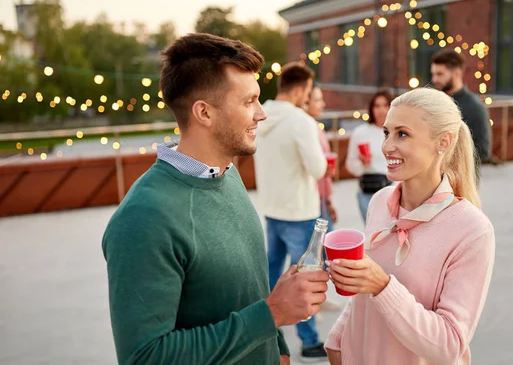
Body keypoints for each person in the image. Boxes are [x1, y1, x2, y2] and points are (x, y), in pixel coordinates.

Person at [101, 33, 330, 365]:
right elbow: (145, 357)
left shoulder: (226, 173)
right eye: (248, 101)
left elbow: (249, 291)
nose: (261, 113)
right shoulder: (144, 219)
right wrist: (273, 314)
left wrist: (277, 346)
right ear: (204, 113)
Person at [325, 87, 495, 365]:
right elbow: (364, 293)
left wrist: (383, 286)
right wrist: (338, 337)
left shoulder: (472, 230)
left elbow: (449, 345)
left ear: (443, 141)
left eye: (402, 134)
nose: (387, 146)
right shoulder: (380, 202)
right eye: (386, 132)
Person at [254, 62, 329, 360]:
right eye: (308, 92)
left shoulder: (259, 115)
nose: (307, 98)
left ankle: (266, 333)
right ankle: (309, 341)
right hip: (299, 211)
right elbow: (318, 167)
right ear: (299, 90)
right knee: (306, 279)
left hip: (272, 208)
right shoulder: (300, 121)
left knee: (271, 276)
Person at [430, 49, 492, 183]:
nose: (435, 79)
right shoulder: (434, 102)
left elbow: (483, 150)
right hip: (434, 181)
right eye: (433, 74)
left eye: (440, 74)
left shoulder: (475, 107)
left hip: (461, 184)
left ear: (457, 73)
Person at [345, 88, 395, 222]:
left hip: (392, 191)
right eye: (377, 106)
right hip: (367, 192)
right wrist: (362, 164)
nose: (381, 110)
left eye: (385, 105)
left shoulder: (398, 132)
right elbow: (350, 165)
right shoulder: (360, 133)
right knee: (371, 235)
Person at [305, 85, 337, 232]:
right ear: (305, 102)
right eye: (317, 100)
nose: (323, 104)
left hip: (322, 198)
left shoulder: (317, 127)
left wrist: (329, 201)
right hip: (310, 200)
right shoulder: (305, 130)